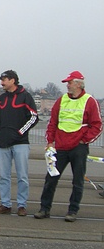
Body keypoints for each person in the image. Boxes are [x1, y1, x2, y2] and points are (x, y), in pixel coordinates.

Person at [34, 71, 102, 222]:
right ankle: (44, 208)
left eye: (70, 83)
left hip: (79, 147)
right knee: (51, 178)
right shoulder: (61, 100)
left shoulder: (89, 101)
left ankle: (73, 210)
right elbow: (53, 123)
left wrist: (84, 140)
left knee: (77, 181)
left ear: (78, 84)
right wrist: (50, 142)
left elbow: (97, 125)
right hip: (60, 147)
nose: (67, 85)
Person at [0, 70, 38, 216]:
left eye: (4, 79)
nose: (1, 82)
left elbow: (33, 118)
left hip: (20, 143)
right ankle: (5, 204)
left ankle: (21, 205)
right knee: (4, 176)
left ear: (12, 80)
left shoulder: (25, 96)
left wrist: (20, 133)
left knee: (22, 176)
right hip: (3, 143)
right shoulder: (1, 99)